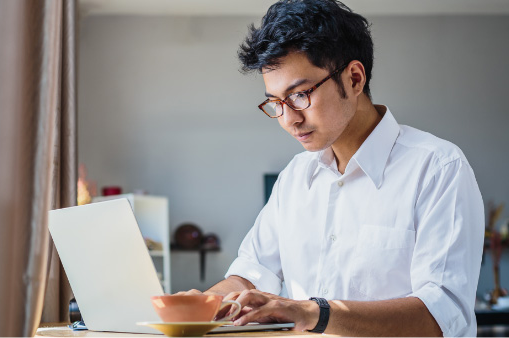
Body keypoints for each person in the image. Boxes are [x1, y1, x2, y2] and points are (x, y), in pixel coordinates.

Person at [178, 0, 484, 336]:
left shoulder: (437, 168)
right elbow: (252, 272)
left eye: (300, 95)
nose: (289, 120)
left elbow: (440, 315)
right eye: (275, 103)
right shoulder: (295, 178)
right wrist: (201, 303)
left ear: (354, 79)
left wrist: (315, 313)